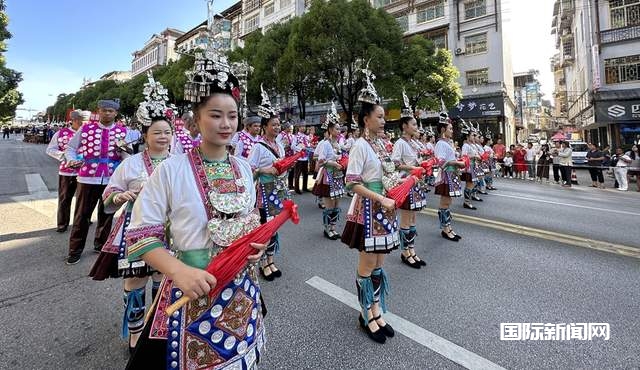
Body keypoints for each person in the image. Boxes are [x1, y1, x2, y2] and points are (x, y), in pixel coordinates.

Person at [125, 51, 267, 370]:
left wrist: (255, 247)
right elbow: (140, 235)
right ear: (196, 119)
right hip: (190, 290)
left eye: (232, 116)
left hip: (241, 291)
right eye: (216, 115)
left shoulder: (244, 167)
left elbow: (249, 221)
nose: (226, 123)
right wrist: (178, 271)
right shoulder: (171, 171)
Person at [89, 73, 173, 354]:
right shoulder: (131, 164)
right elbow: (109, 194)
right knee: (136, 280)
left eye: (167, 132)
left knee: (165, 281)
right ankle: (135, 334)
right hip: (136, 230)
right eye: (157, 132)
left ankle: (161, 329)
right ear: (145, 135)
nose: (163, 137)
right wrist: (120, 195)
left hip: (172, 230)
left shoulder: (180, 162)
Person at [341, 69, 399, 344]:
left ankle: (377, 311)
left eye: (384, 117)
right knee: (366, 264)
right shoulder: (360, 146)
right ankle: (365, 314)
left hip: (384, 211)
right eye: (379, 117)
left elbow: (388, 173)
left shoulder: (383, 146)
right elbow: (352, 183)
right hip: (368, 210)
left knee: (379, 263)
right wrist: (381, 199)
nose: (384, 121)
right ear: (366, 119)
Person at [64, 99, 132, 265]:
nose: (107, 113)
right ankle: (75, 250)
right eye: (104, 110)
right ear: (98, 111)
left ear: (116, 113)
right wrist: (71, 160)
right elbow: (71, 147)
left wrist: (128, 171)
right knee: (81, 215)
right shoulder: (86, 128)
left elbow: (127, 156)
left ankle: (101, 245)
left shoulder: (123, 132)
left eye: (111, 111)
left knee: (107, 214)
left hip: (111, 179)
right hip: (87, 177)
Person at [248, 85, 289, 282]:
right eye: (273, 124)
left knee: (275, 226)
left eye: (279, 124)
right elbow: (249, 170)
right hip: (264, 191)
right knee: (265, 227)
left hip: (278, 189)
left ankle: (271, 260)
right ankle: (263, 263)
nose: (277, 127)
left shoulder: (279, 144)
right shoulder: (258, 147)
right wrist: (265, 170)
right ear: (264, 126)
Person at [391, 94, 428, 269]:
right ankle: (405, 252)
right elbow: (395, 164)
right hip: (406, 183)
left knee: (413, 219)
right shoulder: (400, 143)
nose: (416, 127)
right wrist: (412, 168)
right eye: (413, 124)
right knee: (406, 220)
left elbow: (416, 160)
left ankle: (412, 250)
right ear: (405, 126)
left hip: (415, 183)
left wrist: (422, 164)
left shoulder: (413, 143)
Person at [46, 110, 85, 232]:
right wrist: (65, 156)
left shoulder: (89, 133)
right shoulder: (61, 133)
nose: (84, 123)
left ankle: (84, 221)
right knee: (64, 199)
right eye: (81, 120)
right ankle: (62, 223)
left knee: (83, 200)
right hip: (66, 172)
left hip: (85, 172)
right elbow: (50, 149)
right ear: (73, 120)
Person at [313, 102, 346, 240]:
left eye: (339, 129)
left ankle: (333, 227)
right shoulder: (325, 144)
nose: (339, 131)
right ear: (331, 130)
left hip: (338, 176)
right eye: (337, 129)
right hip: (329, 177)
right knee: (329, 205)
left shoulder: (338, 143)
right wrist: (332, 162)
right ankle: (327, 229)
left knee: (337, 203)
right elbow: (321, 161)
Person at [434, 111, 464, 243]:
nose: (452, 131)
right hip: (446, 175)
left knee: (448, 202)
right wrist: (455, 163)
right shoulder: (440, 143)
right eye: (450, 128)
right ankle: (445, 228)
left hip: (451, 174)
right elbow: (439, 162)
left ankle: (448, 226)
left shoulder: (447, 143)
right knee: (445, 202)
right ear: (442, 129)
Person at [460, 121, 481, 209]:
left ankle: (468, 200)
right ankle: (466, 202)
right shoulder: (465, 145)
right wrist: (474, 156)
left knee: (472, 183)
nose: (474, 136)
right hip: (469, 167)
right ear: (467, 136)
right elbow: (464, 156)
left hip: (473, 165)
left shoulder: (471, 145)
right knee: (469, 184)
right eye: (472, 135)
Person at [292, 121, 311, 194]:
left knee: (305, 173)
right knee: (298, 174)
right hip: (299, 158)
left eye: (304, 126)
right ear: (298, 127)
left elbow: (308, 145)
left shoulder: (306, 136)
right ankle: (297, 189)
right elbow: (292, 146)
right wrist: (300, 149)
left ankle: (305, 187)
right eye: (301, 126)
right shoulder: (296, 136)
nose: (303, 128)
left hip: (305, 157)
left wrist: (309, 147)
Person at [277, 120, 296, 190]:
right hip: (284, 156)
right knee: (284, 172)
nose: (291, 130)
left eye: (292, 129)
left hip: (291, 156)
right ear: (286, 128)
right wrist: (284, 145)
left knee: (291, 171)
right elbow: (277, 145)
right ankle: (283, 185)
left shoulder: (291, 135)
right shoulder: (280, 135)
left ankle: (290, 185)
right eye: (290, 128)